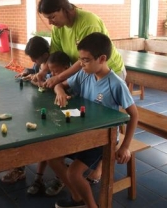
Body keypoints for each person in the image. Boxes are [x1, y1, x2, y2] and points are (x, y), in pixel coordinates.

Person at [37, 0, 127, 182]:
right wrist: (42, 72)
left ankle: (102, 161)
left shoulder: (88, 22)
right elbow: (55, 53)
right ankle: (86, 152)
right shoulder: (58, 29)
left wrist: (58, 78)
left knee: (107, 114)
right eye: (48, 19)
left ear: (63, 9)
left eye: (52, 17)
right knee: (88, 110)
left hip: (108, 71)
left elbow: (84, 59)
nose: (51, 22)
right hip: (86, 72)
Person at [50, 32, 138, 208]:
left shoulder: (115, 84)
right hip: (83, 131)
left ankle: (91, 205)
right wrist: (59, 91)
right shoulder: (85, 74)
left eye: (86, 60)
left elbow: (133, 115)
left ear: (102, 58)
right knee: (51, 157)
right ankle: (77, 197)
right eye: (80, 59)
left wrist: (125, 146)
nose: (81, 64)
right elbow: (59, 84)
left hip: (103, 138)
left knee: (74, 173)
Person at [2, 36, 50, 184]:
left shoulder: (54, 64)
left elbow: (51, 83)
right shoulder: (39, 64)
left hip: (50, 107)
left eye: (35, 59)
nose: (34, 61)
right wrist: (27, 71)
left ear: (45, 55)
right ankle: (19, 168)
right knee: (21, 129)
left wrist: (39, 81)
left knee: (41, 137)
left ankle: (58, 176)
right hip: (39, 104)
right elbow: (34, 69)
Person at [27, 51, 71, 196]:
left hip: (70, 122)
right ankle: (38, 177)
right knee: (45, 142)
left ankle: (61, 178)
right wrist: (37, 80)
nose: (52, 74)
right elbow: (49, 85)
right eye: (51, 71)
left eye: (56, 71)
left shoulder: (72, 78)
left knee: (56, 147)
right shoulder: (55, 77)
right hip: (58, 116)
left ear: (66, 68)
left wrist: (57, 86)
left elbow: (59, 86)